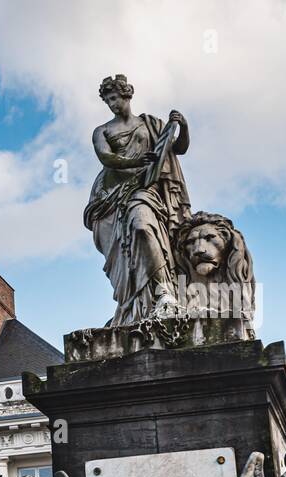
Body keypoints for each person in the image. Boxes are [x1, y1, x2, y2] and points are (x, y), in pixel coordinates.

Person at [83, 74, 191, 325]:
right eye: (108, 100)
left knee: (142, 226)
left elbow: (179, 149)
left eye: (115, 98)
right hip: (108, 197)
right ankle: (132, 305)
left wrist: (183, 126)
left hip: (144, 190)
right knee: (121, 256)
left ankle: (164, 291)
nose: (112, 104)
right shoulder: (102, 131)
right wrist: (135, 162)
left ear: (127, 95)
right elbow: (106, 158)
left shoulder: (150, 125)